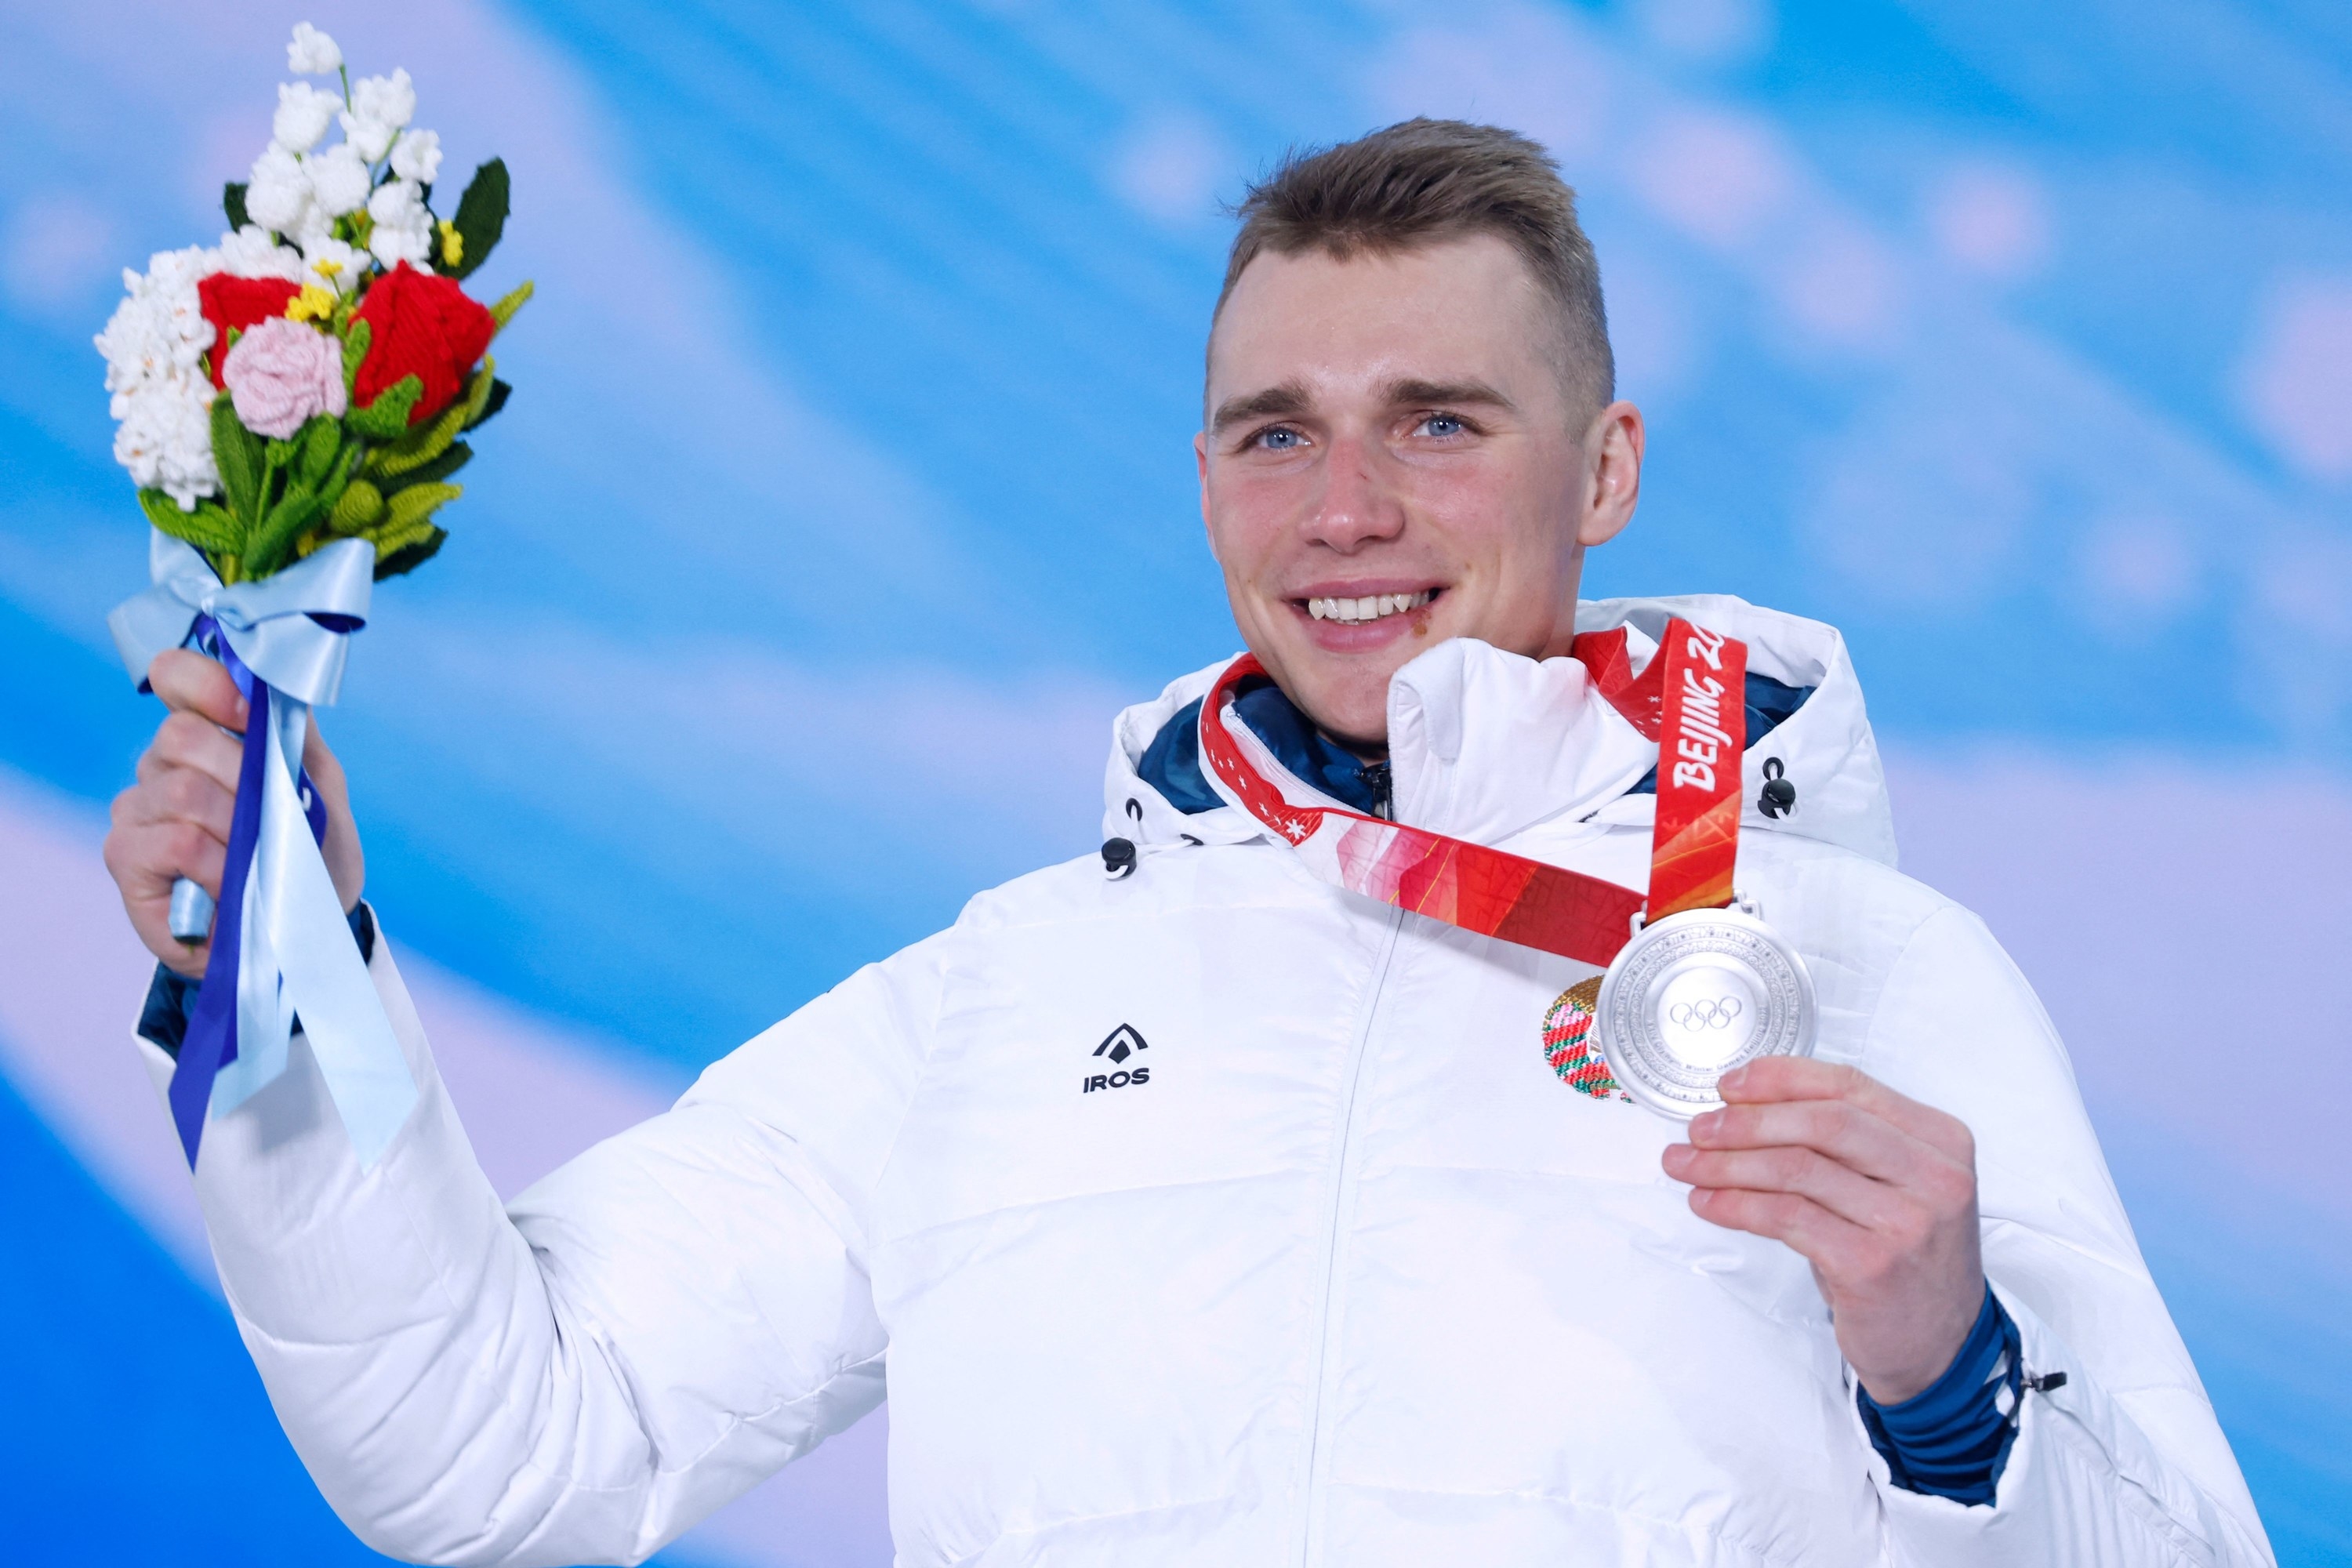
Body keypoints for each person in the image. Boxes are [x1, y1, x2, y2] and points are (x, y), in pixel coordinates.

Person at [103, 119, 2270, 1566]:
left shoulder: (1876, 976)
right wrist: (291, 986)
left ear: (1602, 467)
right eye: (1275, 435)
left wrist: (1954, 1397)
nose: (1346, 512)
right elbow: (495, 1445)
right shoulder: (998, 1000)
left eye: (1440, 422)